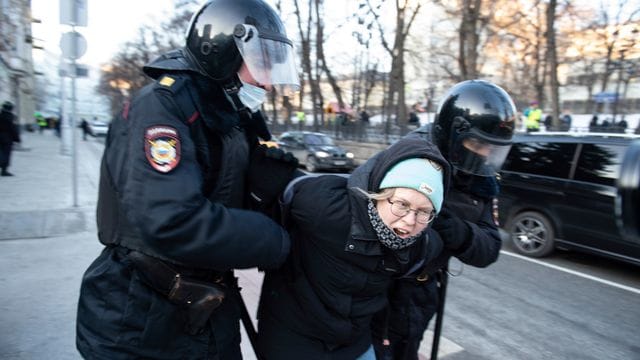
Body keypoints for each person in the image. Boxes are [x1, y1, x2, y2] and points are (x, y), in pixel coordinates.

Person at [75, 0, 301, 358]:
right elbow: (172, 221)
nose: (268, 82)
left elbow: (224, 194)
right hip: (141, 320)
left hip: (208, 313)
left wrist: (262, 194)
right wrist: (273, 238)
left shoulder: (232, 114)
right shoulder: (162, 106)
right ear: (222, 52)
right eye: (261, 64)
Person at [257, 135, 451, 359]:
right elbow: (279, 201)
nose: (409, 221)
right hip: (294, 334)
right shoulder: (325, 208)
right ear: (380, 193)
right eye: (402, 204)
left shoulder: (420, 245)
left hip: (354, 341)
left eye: (423, 211)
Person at [372, 80, 516, 360]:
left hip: (424, 292)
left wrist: (463, 234)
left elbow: (490, 247)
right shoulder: (408, 160)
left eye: (491, 148)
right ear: (453, 132)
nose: (485, 153)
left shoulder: (481, 181)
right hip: (384, 291)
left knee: (407, 349)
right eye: (477, 143)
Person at [0, 101, 21, 176]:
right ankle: (4, 170)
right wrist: (17, 139)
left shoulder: (1, 115)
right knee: (6, 154)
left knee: (2, 152)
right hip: (7, 138)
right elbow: (12, 129)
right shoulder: (10, 117)